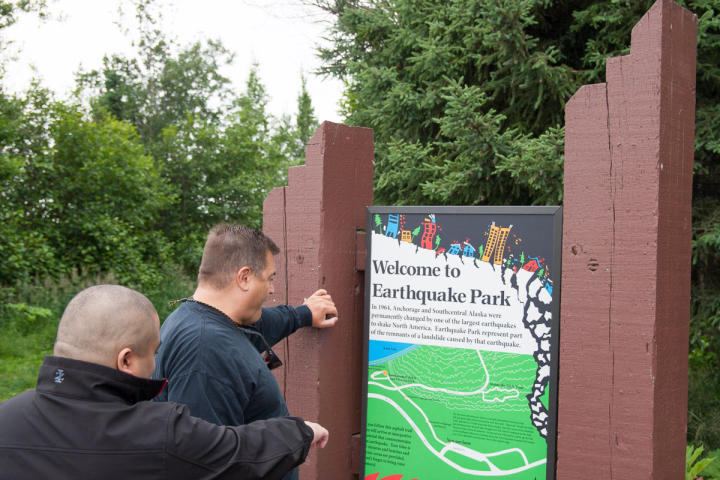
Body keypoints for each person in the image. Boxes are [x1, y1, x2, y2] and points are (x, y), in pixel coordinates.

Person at [0, 284, 329, 480]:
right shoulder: (156, 434)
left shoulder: (6, 420)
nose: (156, 363)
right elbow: (237, 451)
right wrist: (302, 430)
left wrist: (300, 314)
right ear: (126, 359)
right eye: (153, 352)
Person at [153, 223, 338, 480]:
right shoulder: (205, 350)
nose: (272, 289)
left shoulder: (201, 319)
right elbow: (209, 464)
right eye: (270, 278)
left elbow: (259, 324)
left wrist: (303, 314)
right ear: (244, 277)